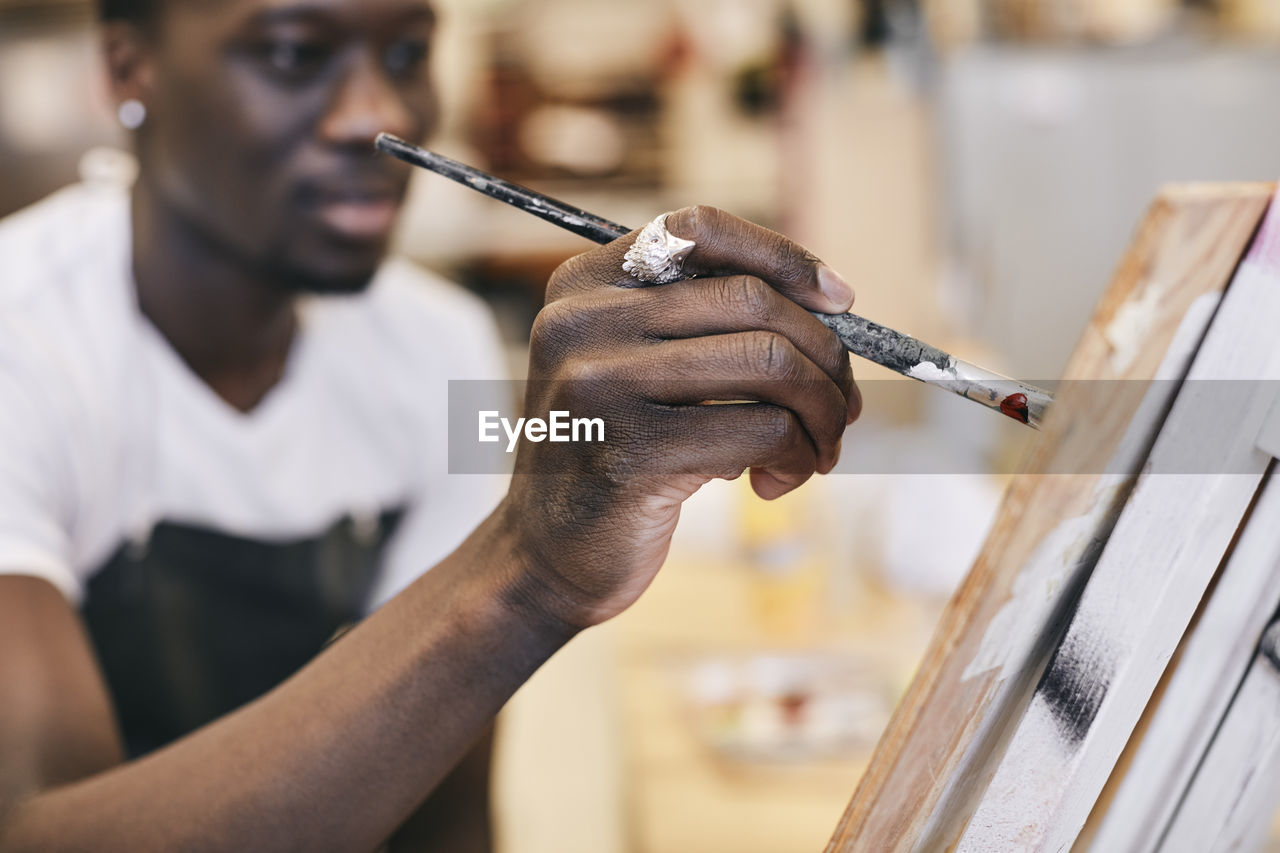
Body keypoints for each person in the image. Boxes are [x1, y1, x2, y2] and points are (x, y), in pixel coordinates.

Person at [0, 0, 860, 850]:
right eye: (296, 53)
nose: (380, 114)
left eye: (408, 53)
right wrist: (525, 566)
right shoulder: (26, 340)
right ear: (127, 69)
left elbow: (448, 823)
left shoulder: (432, 350)